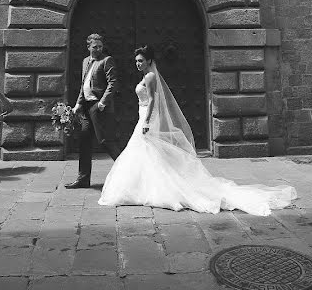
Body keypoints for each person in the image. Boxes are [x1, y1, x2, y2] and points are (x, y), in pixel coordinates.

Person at [98, 45, 297, 215]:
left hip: (146, 118)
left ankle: (150, 187)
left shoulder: (150, 77)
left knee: (145, 151)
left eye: (141, 60)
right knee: (147, 152)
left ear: (149, 61)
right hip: (144, 116)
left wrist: (147, 121)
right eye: (136, 61)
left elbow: (151, 102)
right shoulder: (148, 75)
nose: (138, 64)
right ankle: (144, 186)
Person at [65, 33, 122, 189]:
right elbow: (84, 85)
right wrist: (77, 104)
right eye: (95, 46)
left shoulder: (106, 60)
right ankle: (83, 179)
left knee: (105, 140)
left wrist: (103, 102)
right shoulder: (85, 61)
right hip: (85, 108)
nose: (98, 49)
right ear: (88, 47)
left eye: (100, 46)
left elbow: (113, 83)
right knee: (84, 141)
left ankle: (127, 172)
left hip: (99, 107)